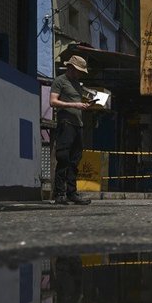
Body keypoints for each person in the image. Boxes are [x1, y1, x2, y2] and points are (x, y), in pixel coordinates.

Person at [48, 55, 93, 205]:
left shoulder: (77, 84)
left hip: (78, 124)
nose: (80, 74)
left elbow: (76, 102)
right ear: (71, 68)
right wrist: (75, 105)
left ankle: (72, 193)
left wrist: (84, 105)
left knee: (75, 160)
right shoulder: (60, 81)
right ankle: (59, 193)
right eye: (79, 70)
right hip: (66, 123)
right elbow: (53, 102)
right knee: (63, 158)